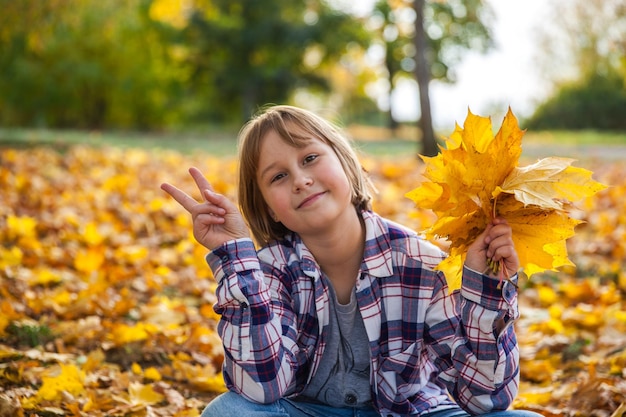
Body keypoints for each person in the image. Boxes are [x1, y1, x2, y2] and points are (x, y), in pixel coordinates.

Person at [161, 105, 543, 417]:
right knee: (229, 412)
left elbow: (484, 398)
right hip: (305, 412)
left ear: (347, 163)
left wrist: (487, 287)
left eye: (310, 158)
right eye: (278, 176)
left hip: (412, 413)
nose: (300, 179)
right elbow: (261, 387)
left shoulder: (420, 262)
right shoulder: (269, 271)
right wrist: (234, 257)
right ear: (269, 210)